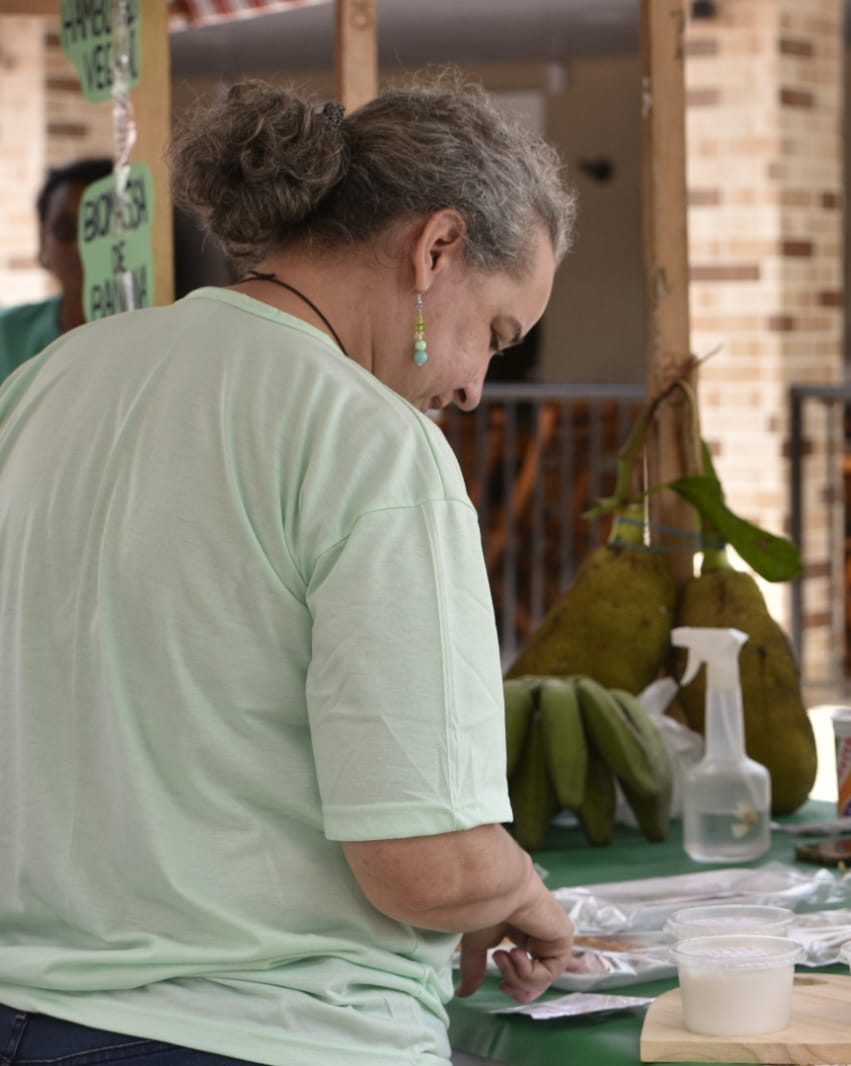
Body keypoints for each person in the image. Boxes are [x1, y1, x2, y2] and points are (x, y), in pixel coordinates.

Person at [0, 75, 577, 1065]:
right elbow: (424, 864)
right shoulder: (373, 441)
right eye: (497, 333)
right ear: (435, 249)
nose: (478, 385)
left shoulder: (49, 380)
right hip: (267, 1029)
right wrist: (521, 889)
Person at [0, 156, 113, 379]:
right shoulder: (6, 335)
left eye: (99, 229)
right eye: (65, 229)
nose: (81, 246)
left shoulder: (156, 332)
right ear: (43, 242)